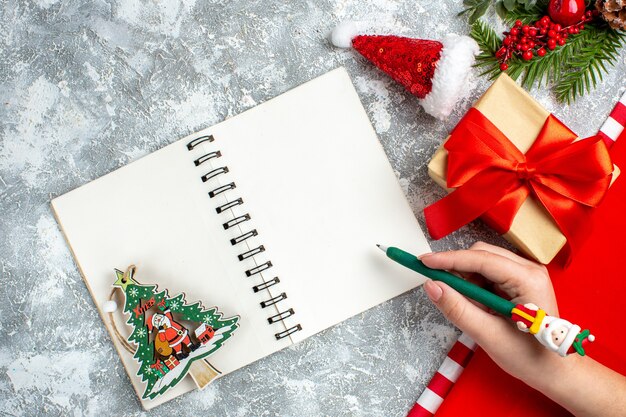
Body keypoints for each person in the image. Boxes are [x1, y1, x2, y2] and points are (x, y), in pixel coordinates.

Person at [420, 241, 626, 417]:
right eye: (561, 331)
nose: (556, 334)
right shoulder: (544, 324)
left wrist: (558, 371)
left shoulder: (547, 340)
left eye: (559, 338)